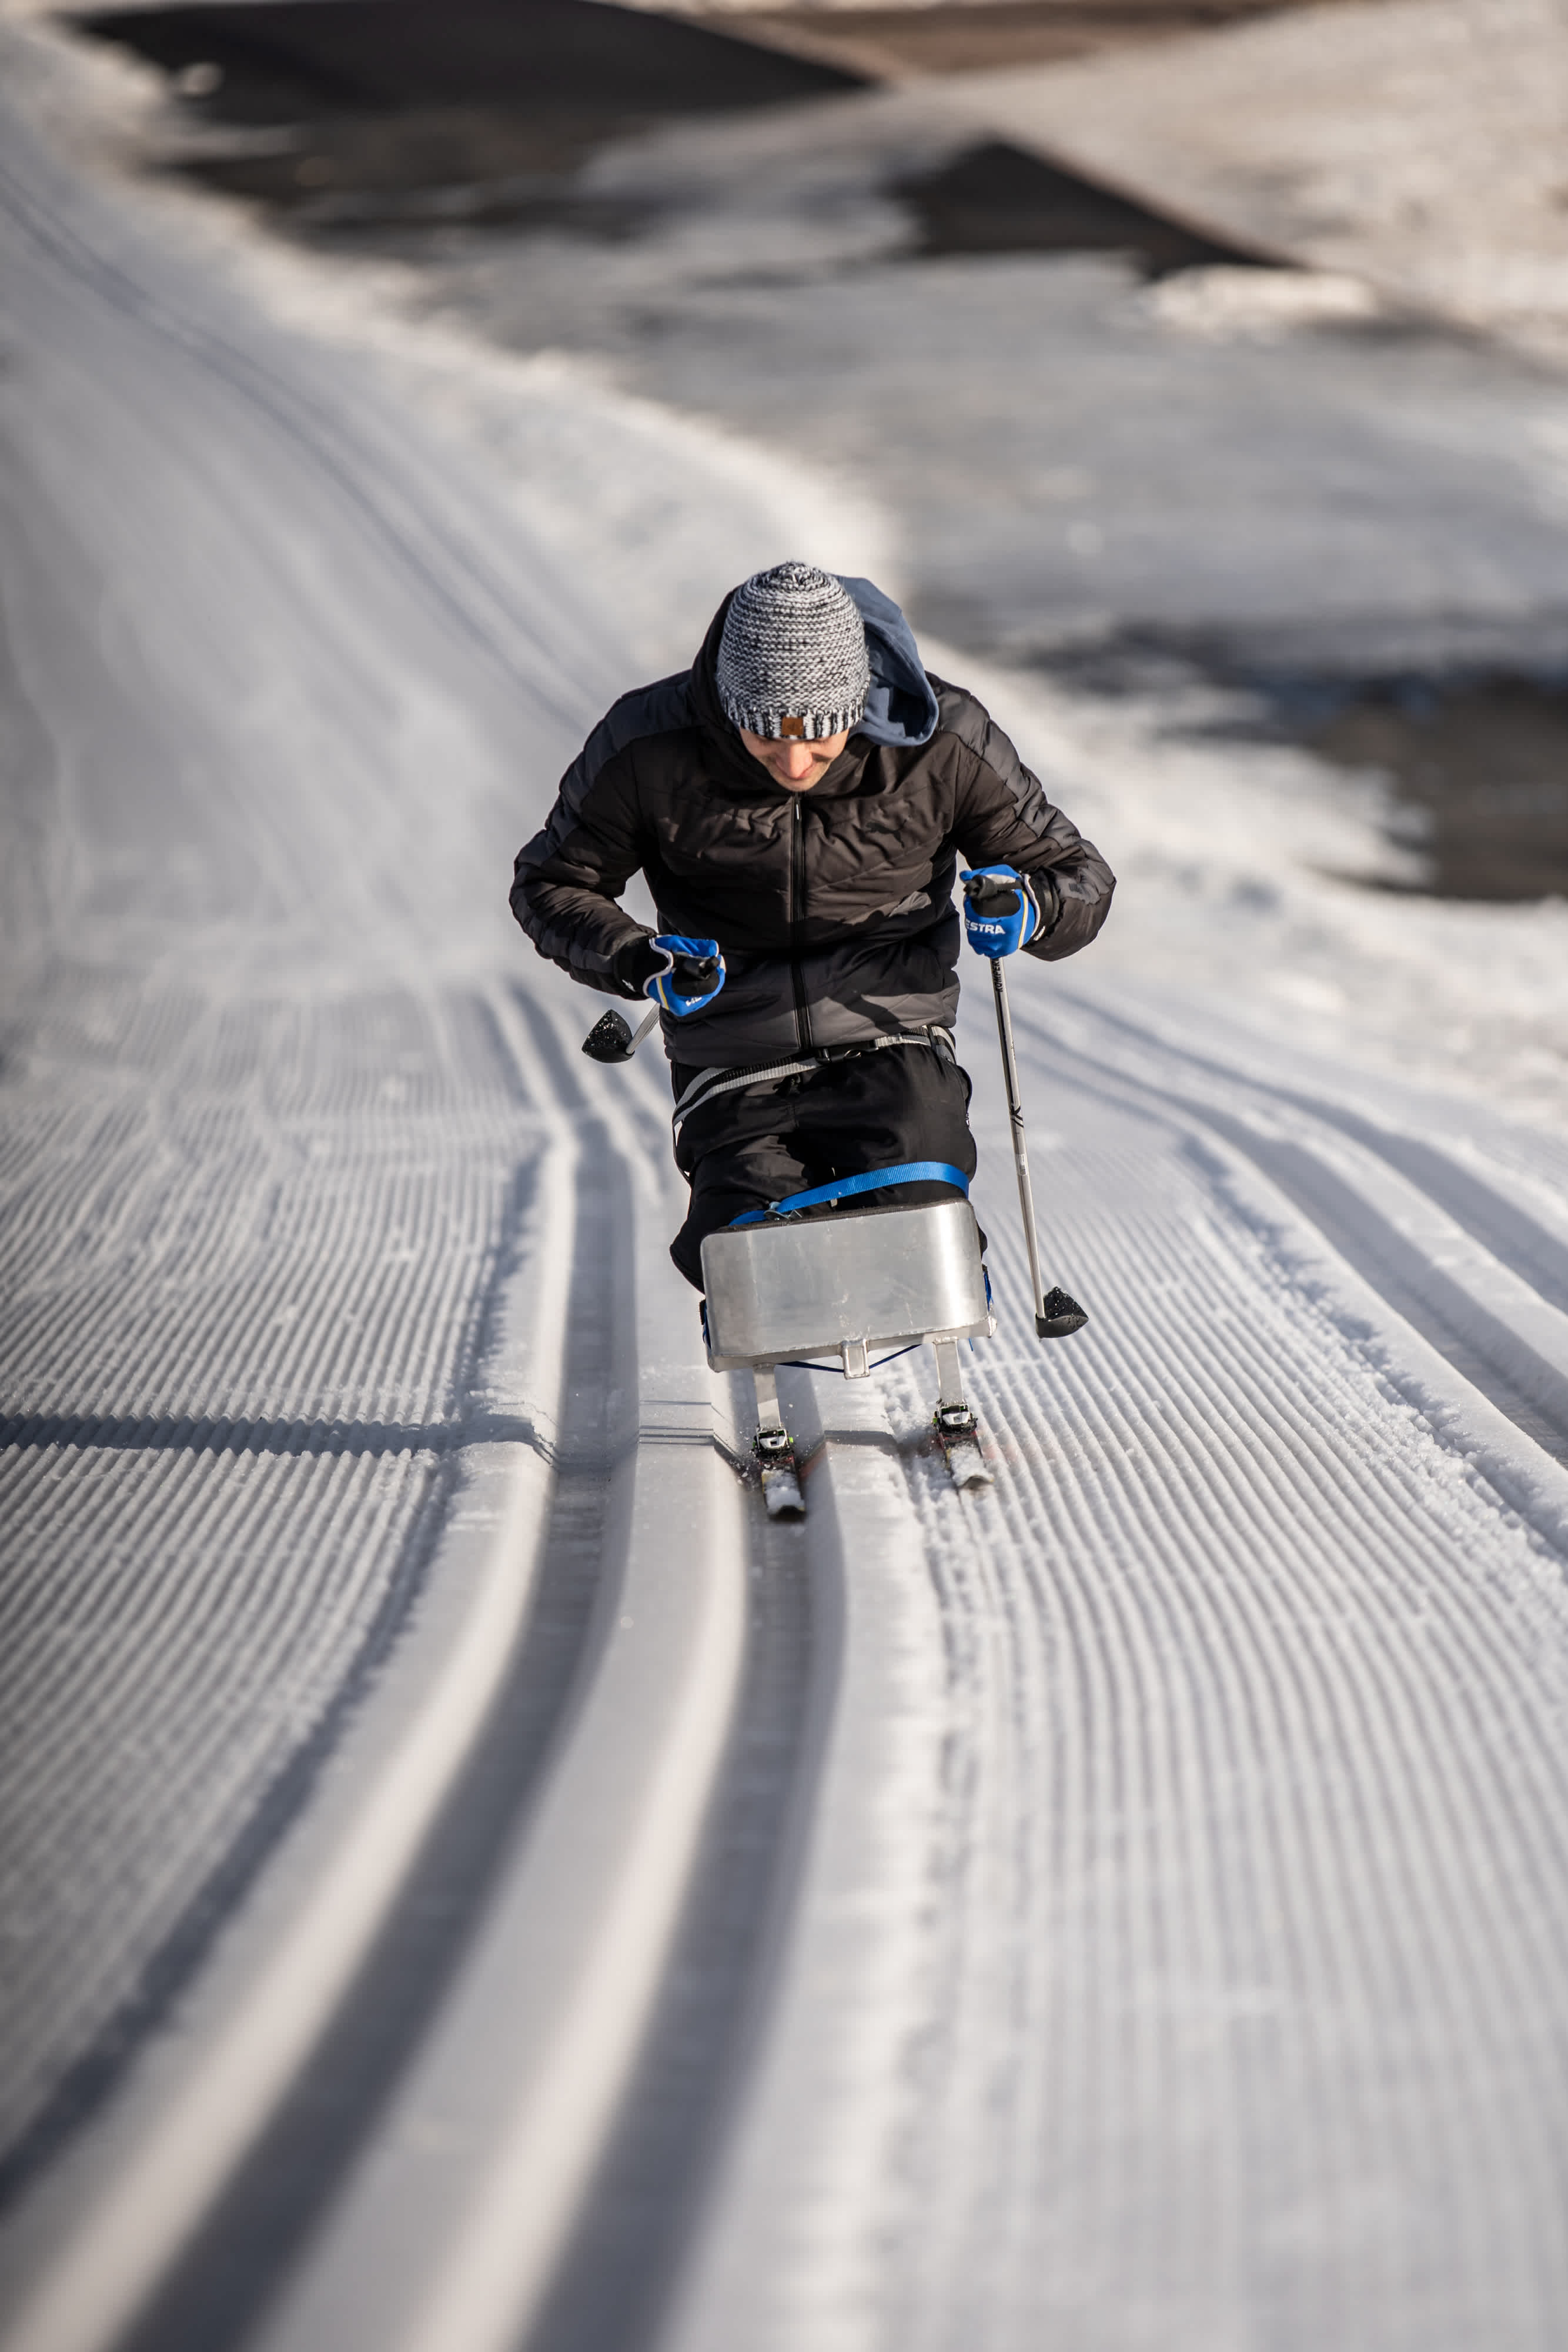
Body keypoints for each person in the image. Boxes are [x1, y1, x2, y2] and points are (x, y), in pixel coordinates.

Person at [510, 561, 1115, 1291]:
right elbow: (552, 882)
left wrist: (1030, 907)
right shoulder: (648, 744)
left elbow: (1077, 874)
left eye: (819, 739)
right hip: (733, 1045)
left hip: (891, 1033)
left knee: (919, 1231)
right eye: (765, 738)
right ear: (728, 705)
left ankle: (944, 1372)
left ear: (856, 705)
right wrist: (638, 957)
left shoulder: (942, 739)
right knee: (746, 1261)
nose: (793, 762)